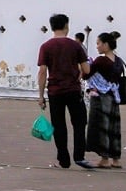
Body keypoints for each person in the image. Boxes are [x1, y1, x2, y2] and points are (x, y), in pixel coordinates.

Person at [37, 13, 92, 170]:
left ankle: (63, 159)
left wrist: (41, 96)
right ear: (67, 26)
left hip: (55, 91)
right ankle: (79, 156)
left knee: (59, 125)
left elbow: (42, 72)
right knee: (80, 122)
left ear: (52, 27)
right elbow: (86, 68)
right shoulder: (75, 46)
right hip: (73, 90)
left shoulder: (46, 47)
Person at [85, 31, 124, 169]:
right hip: (114, 97)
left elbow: (87, 73)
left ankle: (104, 158)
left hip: (101, 97)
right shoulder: (118, 61)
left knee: (102, 126)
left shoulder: (101, 60)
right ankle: (116, 159)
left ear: (106, 44)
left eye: (98, 43)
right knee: (114, 127)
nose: (97, 46)